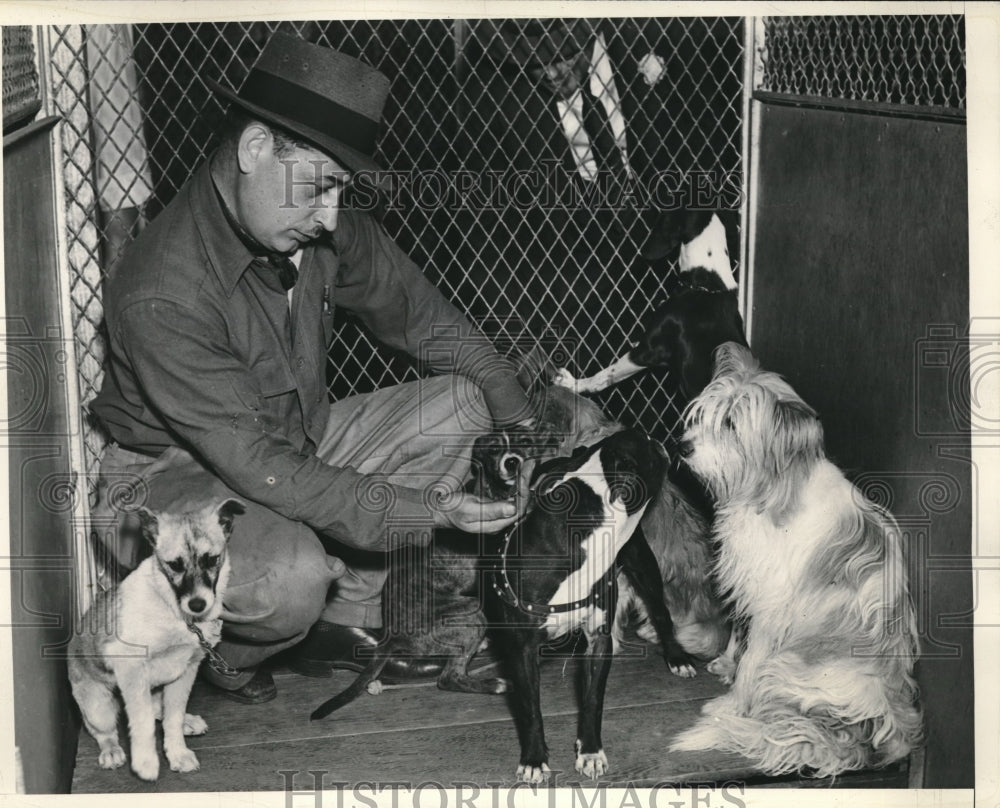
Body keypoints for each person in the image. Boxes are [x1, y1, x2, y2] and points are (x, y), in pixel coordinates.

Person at [90, 32, 535, 704]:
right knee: (289, 577)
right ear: (254, 149)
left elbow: (426, 320)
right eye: (321, 186)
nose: (331, 216)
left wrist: (519, 416)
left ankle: (340, 625)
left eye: (339, 188)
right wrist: (432, 510)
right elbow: (265, 467)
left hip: (293, 434)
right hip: (168, 481)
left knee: (467, 400)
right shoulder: (164, 291)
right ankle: (227, 652)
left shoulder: (305, 217)